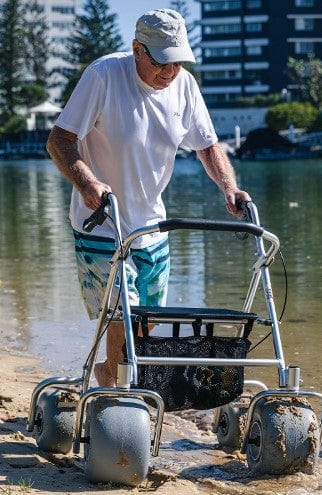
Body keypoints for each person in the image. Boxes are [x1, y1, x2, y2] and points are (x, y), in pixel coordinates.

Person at [46, 8, 251, 387]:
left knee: (146, 320)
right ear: (137, 48)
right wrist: (88, 183)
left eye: (177, 62)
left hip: (153, 224)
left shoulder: (184, 85)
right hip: (102, 220)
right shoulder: (104, 76)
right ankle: (116, 391)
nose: (170, 72)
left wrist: (229, 187)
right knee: (124, 310)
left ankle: (110, 372)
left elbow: (207, 146)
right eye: (161, 62)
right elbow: (59, 140)